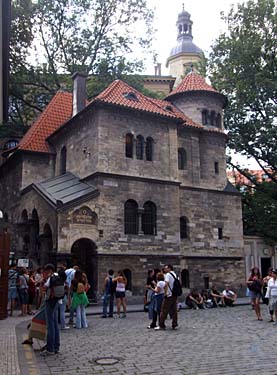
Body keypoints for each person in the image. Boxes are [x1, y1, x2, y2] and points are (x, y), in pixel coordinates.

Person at [40, 264, 61, 356]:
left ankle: (50, 349)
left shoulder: (51, 277)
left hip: (50, 301)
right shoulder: (58, 276)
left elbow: (45, 287)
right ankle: (56, 346)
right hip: (57, 301)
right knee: (55, 324)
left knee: (50, 325)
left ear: (49, 271)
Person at [155, 265, 178, 330]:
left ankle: (161, 324)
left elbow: (166, 284)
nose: (165, 269)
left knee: (164, 310)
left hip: (169, 295)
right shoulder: (175, 274)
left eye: (166, 268)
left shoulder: (168, 274)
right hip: (174, 294)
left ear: (169, 268)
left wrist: (165, 293)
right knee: (174, 310)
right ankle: (174, 323)